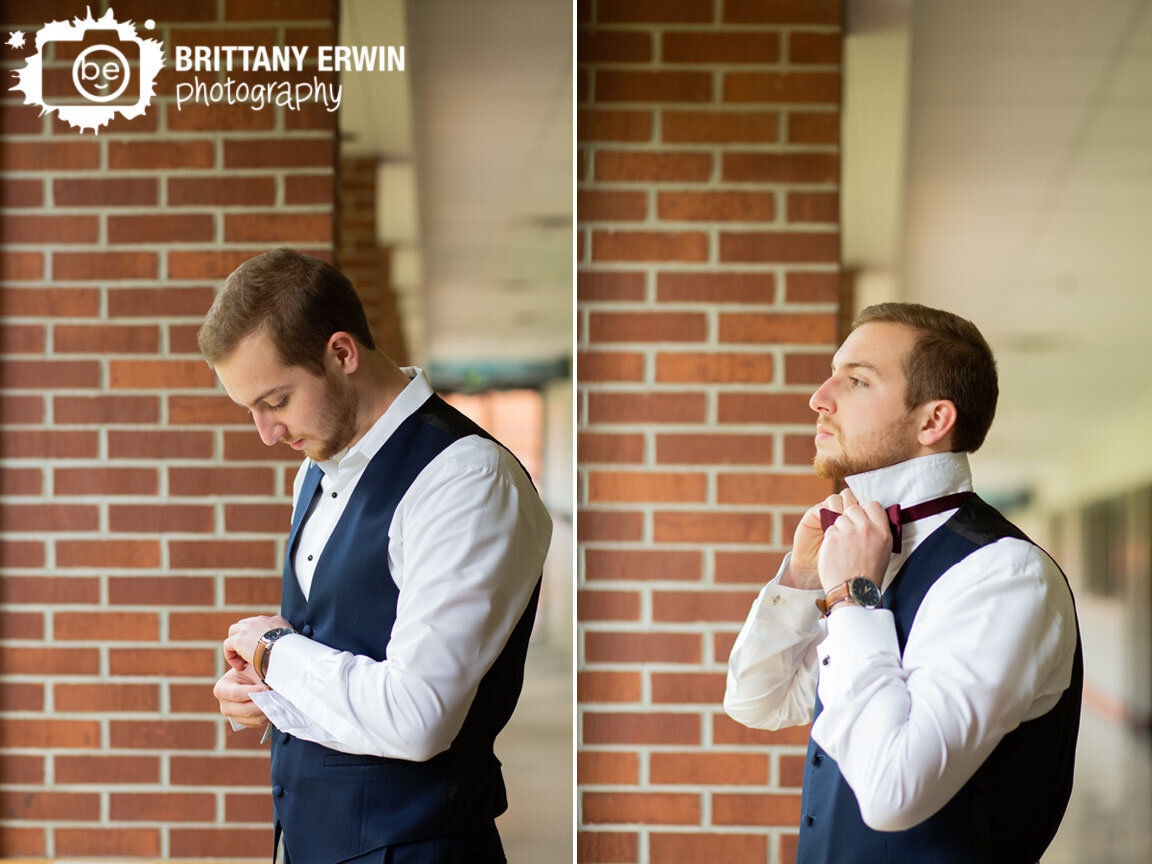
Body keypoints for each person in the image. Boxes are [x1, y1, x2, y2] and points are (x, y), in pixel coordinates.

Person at [198, 248, 552, 864]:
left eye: (276, 401)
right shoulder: (314, 471)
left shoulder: (465, 479)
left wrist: (275, 651)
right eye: (250, 409)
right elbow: (342, 650)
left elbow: (417, 718)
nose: (266, 433)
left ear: (341, 353)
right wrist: (268, 691)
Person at [724, 303, 1081, 863]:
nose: (819, 397)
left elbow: (894, 793)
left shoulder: (1007, 575)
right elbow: (758, 702)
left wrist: (850, 602)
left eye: (857, 380)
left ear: (933, 421)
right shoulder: (867, 550)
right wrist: (799, 579)